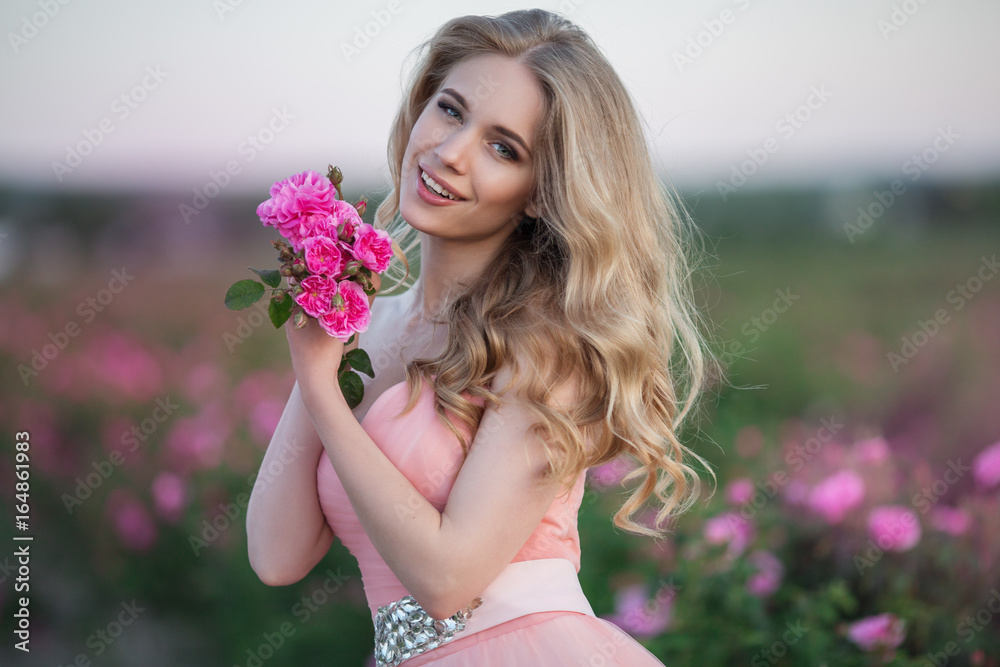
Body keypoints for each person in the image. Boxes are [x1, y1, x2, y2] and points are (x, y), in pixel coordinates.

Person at [246, 8, 724, 666]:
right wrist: (324, 343)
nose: (450, 152)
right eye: (450, 110)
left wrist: (323, 389)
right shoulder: (367, 327)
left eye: (504, 148)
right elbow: (276, 556)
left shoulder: (549, 347)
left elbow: (447, 580)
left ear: (540, 192)